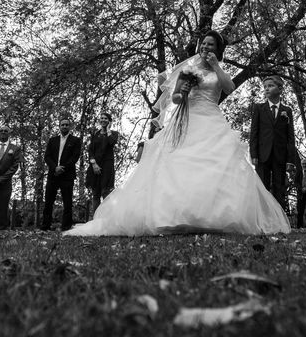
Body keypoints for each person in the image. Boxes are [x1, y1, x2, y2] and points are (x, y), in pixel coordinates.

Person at [65, 30, 290, 236]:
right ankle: (174, 217)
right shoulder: (187, 69)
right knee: (177, 165)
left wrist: (217, 66)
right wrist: (182, 93)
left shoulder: (219, 70)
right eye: (204, 44)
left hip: (211, 119)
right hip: (187, 119)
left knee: (215, 166)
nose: (206, 47)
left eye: (211, 45)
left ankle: (211, 217)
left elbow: (228, 88)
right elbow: (174, 98)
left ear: (217, 50)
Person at [249, 75, 297, 210]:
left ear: (280, 89)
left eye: (270, 86)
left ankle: (279, 222)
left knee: (279, 187)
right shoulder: (259, 108)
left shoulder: (287, 111)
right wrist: (253, 154)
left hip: (280, 155)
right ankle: (262, 219)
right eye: (265, 87)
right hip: (262, 155)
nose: (266, 89)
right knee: (262, 187)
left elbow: (290, 136)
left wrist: (290, 160)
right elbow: (254, 133)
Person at [41, 117, 82, 231]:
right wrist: (55, 168)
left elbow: (75, 157)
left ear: (70, 127)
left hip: (67, 175)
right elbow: (47, 156)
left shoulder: (75, 140)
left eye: (66, 125)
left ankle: (66, 227)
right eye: (62, 125)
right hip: (53, 174)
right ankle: (45, 226)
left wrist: (62, 168)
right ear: (59, 127)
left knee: (67, 203)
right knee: (48, 202)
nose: (64, 126)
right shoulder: (52, 140)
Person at [86, 112, 119, 218]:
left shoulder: (114, 133)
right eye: (102, 118)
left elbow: (111, 142)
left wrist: (108, 130)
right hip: (95, 166)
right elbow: (90, 150)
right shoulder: (95, 134)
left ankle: (106, 220)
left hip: (107, 166)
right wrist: (93, 163)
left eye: (106, 118)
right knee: (95, 194)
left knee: (106, 193)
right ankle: (96, 220)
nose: (103, 120)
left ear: (109, 121)